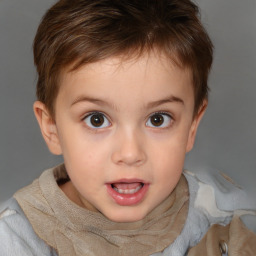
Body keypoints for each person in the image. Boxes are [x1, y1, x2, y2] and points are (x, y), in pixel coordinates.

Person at [0, 0, 255, 255]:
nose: (130, 153)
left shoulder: (228, 214)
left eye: (158, 119)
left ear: (191, 126)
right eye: (96, 120)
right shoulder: (14, 238)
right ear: (51, 128)